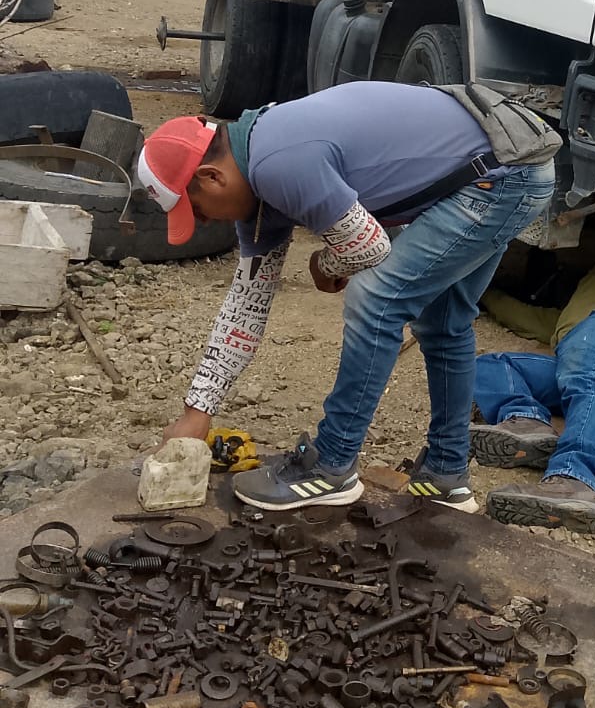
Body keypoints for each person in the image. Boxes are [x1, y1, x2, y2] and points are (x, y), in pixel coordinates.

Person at [138, 82, 556, 513]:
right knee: (443, 320)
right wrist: (198, 410)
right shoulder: (258, 183)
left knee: (375, 299)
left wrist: (327, 264)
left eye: (198, 211)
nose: (206, 224)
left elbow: (369, 247)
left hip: (500, 173)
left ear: (211, 177)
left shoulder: (278, 163)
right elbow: (247, 305)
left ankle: (331, 466)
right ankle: (446, 476)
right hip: (504, 164)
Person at [470, 240, 595, 533]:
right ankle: (527, 421)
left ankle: (575, 478)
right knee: (492, 366)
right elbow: (520, 315)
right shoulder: (570, 318)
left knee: (589, 374)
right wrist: (481, 291)